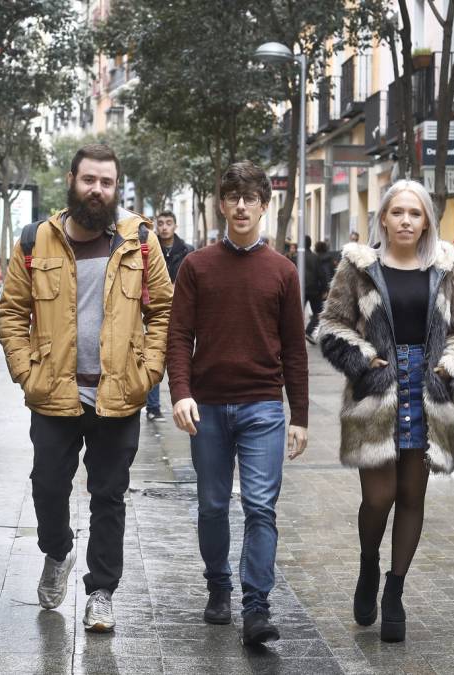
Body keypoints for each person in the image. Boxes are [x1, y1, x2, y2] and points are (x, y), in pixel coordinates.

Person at [0, 144, 172, 634]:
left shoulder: (140, 241)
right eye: (89, 179)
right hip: (54, 392)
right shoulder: (36, 240)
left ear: (117, 188)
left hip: (119, 394)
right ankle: (57, 552)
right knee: (47, 486)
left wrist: (149, 370)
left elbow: (163, 311)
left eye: (107, 182)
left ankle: (101, 592)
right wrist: (25, 372)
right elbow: (10, 312)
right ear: (72, 180)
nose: (98, 190)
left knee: (108, 495)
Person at [318, 179, 454, 643]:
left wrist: (450, 366)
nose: (406, 220)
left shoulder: (445, 269)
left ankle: (394, 591)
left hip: (428, 390)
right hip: (378, 391)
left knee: (412, 496)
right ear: (383, 218)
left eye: (415, 213)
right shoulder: (360, 267)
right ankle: (368, 563)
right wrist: (362, 359)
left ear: (426, 220)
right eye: (398, 212)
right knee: (379, 498)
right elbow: (330, 324)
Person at [168, 161, 309, 645]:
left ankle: (257, 606)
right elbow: (178, 335)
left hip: (263, 409)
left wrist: (301, 417)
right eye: (233, 197)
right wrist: (181, 392)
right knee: (211, 505)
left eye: (251, 198)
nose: (242, 206)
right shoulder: (196, 266)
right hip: (206, 406)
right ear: (222, 204)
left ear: (264, 206)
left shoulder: (283, 272)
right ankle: (218, 586)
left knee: (260, 508)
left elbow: (295, 347)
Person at [145, 210, 191, 421]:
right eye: (161, 223)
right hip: (154, 311)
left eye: (168, 223)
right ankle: (153, 407)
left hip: (181, 311)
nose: (164, 227)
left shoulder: (186, 251)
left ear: (175, 226)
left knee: (182, 357)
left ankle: (185, 399)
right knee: (154, 356)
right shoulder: (147, 248)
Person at [302, 236, 329, 344]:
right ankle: (309, 331)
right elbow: (321, 274)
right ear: (310, 244)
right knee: (318, 312)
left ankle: (294, 336)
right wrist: (324, 289)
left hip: (300, 290)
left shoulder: (296, 257)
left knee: (296, 313)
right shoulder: (315, 257)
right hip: (314, 290)